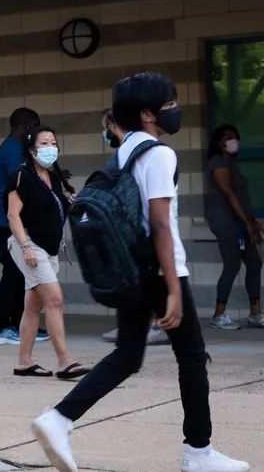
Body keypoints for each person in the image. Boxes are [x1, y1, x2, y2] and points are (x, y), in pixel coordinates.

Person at [32, 72, 250, 472]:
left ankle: (59, 418)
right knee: (192, 358)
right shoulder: (160, 154)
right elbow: (161, 224)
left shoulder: (125, 149)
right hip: (162, 269)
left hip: (131, 267)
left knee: (128, 355)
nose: (174, 110)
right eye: (169, 104)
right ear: (148, 113)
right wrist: (172, 288)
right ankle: (198, 455)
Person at [6, 126, 89, 380]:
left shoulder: (53, 177)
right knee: (54, 298)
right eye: (44, 143)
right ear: (32, 149)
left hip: (48, 249)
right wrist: (26, 246)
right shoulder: (22, 176)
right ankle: (65, 361)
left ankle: (23, 362)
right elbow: (12, 215)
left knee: (33, 305)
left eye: (53, 142)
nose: (50, 147)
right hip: (29, 246)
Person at [98, 109, 167, 346]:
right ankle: (138, 325)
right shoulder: (127, 152)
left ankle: (158, 324)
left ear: (112, 125)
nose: (104, 134)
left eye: (104, 128)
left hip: (148, 232)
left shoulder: (145, 152)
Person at [0, 107, 50, 345]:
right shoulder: (14, 151)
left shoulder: (14, 148)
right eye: (35, 125)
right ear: (25, 126)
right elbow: (22, 184)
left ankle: (20, 323)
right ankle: (3, 327)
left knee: (20, 273)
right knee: (13, 274)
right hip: (9, 220)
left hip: (10, 219)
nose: (37, 129)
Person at [205, 124, 264, 330]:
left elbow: (240, 197)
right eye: (228, 137)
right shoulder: (218, 163)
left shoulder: (231, 164)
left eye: (235, 137)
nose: (233, 141)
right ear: (219, 142)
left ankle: (256, 313)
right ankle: (218, 315)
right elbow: (229, 195)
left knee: (254, 263)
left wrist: (252, 222)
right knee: (232, 265)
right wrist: (247, 223)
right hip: (226, 222)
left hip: (240, 222)